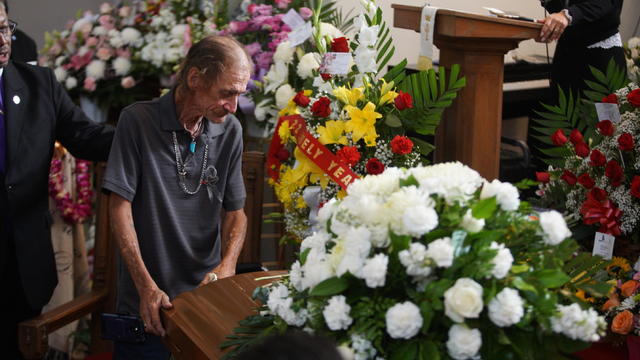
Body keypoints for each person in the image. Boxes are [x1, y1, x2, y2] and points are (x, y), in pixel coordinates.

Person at [103, 35, 251, 358]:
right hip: (147, 308)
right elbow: (119, 208)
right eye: (226, 93)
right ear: (195, 78)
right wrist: (145, 287)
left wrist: (227, 267)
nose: (233, 106)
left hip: (204, 304)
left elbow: (236, 213)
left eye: (239, 95)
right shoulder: (137, 121)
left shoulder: (231, 131)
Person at [0, 4, 115, 359]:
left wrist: (146, 130)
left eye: (4, 28)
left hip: (22, 265)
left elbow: (85, 136)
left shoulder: (38, 84)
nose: (1, 40)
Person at [537, 0, 626, 97]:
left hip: (600, 56)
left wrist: (567, 15)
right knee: (563, 109)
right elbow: (562, 10)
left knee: (603, 111)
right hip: (566, 55)